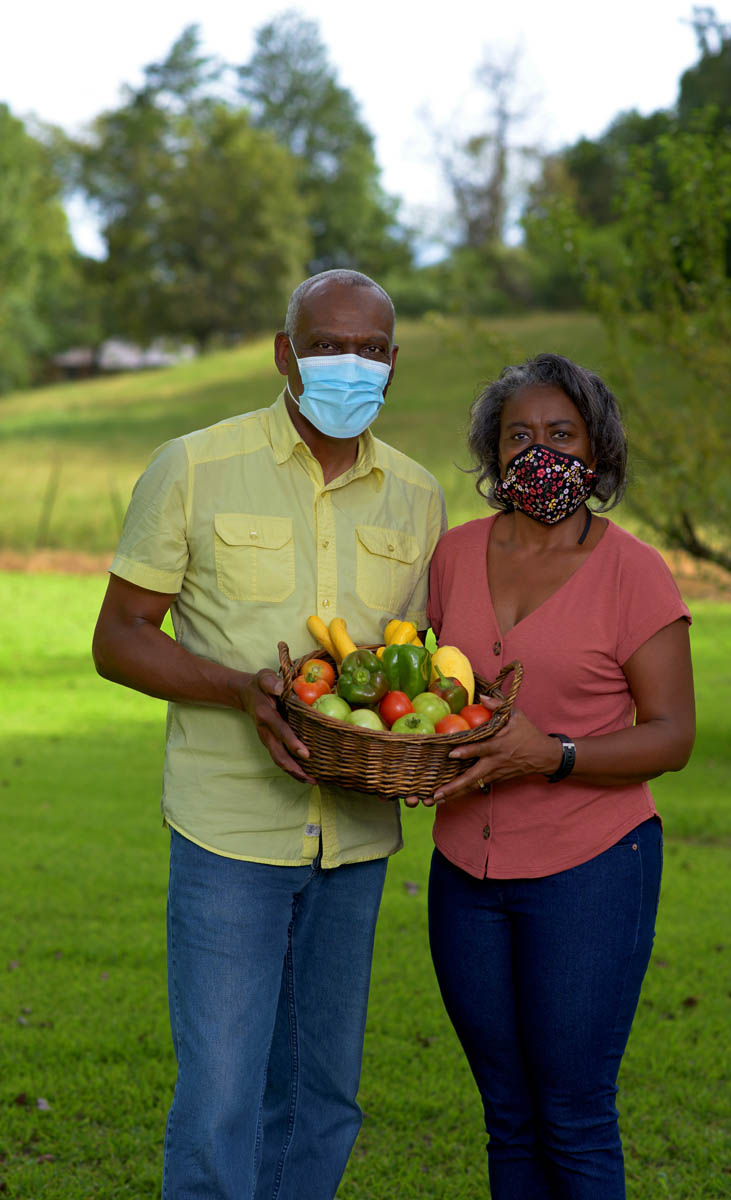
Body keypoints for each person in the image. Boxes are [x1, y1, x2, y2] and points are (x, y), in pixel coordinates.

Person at [91, 269, 446, 1200]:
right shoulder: (194, 465)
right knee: (218, 1099)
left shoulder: (417, 496)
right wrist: (238, 690)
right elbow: (118, 638)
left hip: (356, 834)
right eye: (328, 344)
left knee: (322, 1097)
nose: (349, 364)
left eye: (370, 350)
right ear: (285, 353)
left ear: (393, 364)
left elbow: (414, 671)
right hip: (228, 830)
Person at [413, 352, 695, 1199]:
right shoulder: (453, 557)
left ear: (597, 452)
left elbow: (672, 736)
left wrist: (556, 754)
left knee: (571, 1115)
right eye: (518, 436)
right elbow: (432, 689)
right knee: (507, 1114)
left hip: (591, 869)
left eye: (560, 434)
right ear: (491, 457)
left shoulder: (632, 571)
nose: (539, 452)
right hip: (465, 872)